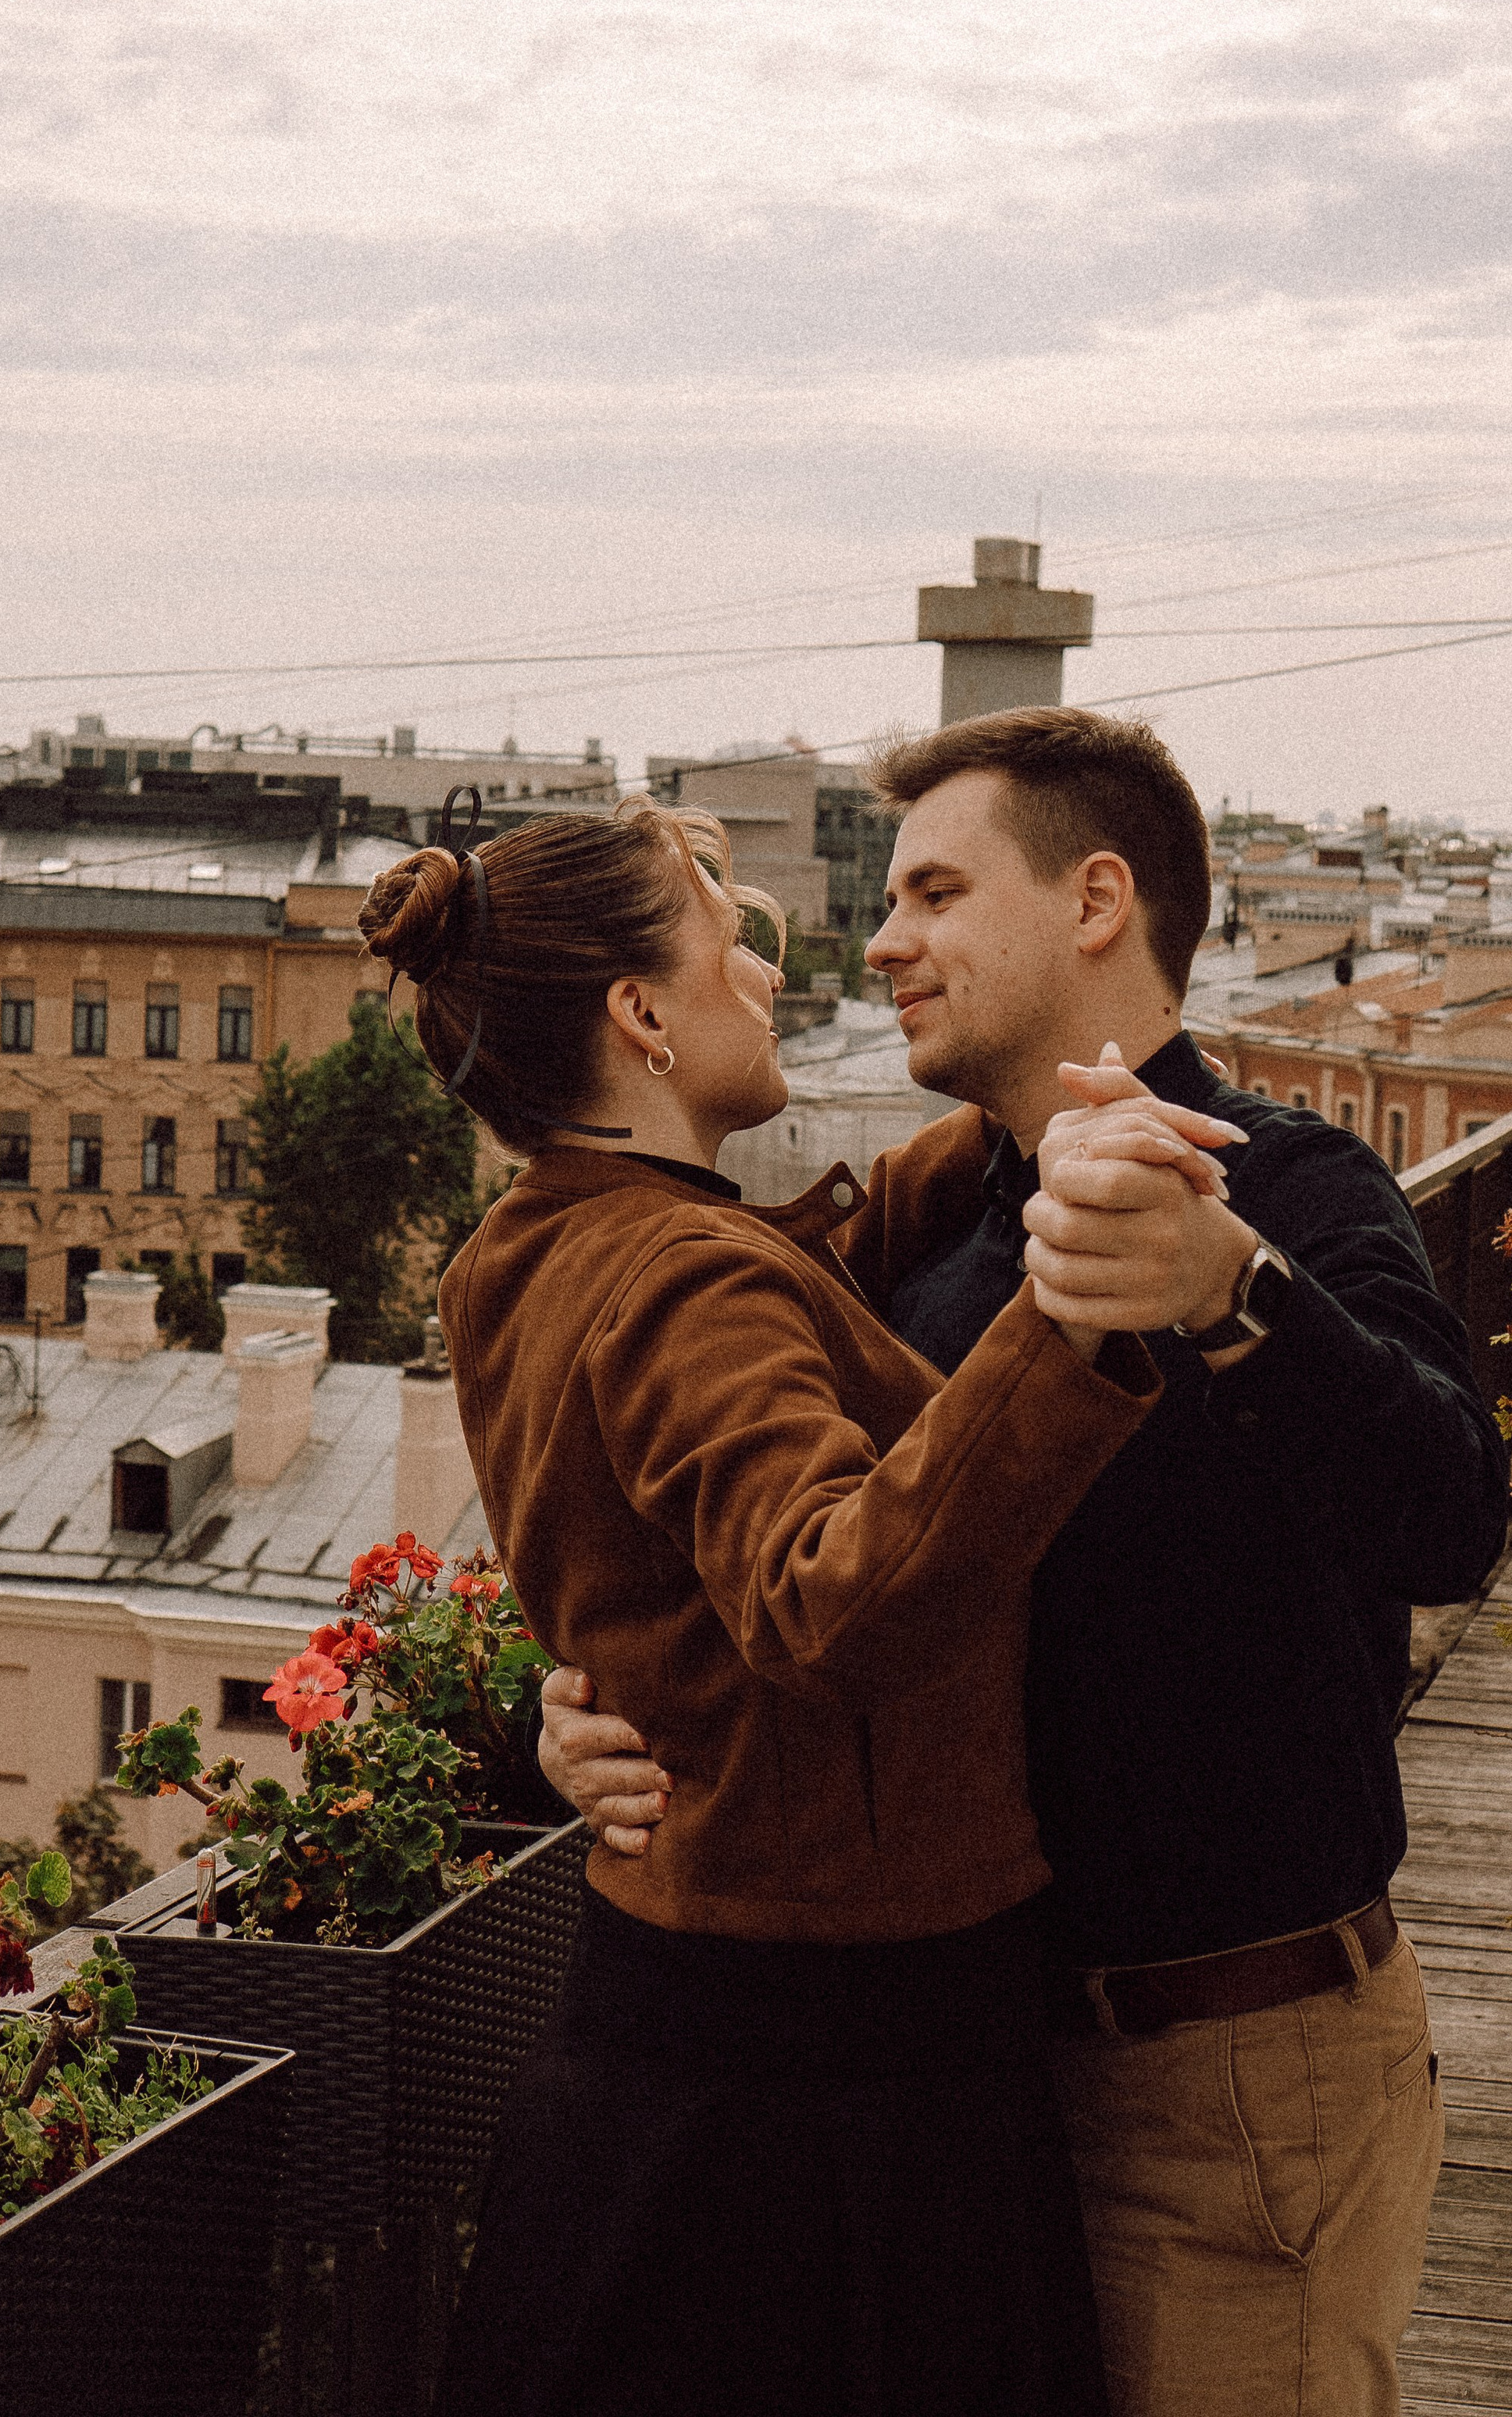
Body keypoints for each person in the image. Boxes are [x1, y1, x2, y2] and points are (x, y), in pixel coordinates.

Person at [541, 706, 1508, 2417]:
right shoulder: (941, 1238)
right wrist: (571, 1715)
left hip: (1219, 2085)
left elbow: (1451, 1519)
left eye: (930, 891)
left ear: (1093, 903)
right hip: (956, 2089)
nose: (883, 941)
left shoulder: (1282, 1182)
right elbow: (816, 1583)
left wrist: (1230, 1291)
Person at [356, 790, 1177, 2417]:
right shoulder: (681, 1278)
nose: (771, 972)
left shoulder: (535, 1247)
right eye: (729, 943)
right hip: (835, 2078)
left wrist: (1001, 1141)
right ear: (640, 1014)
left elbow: (784, 1291)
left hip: (673, 2037)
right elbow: (827, 1604)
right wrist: (1065, 1317)